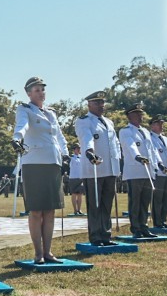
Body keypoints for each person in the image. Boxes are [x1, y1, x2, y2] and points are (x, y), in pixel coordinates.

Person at [11, 77, 68, 263]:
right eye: (36, 90)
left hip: (52, 163)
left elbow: (59, 135)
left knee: (50, 210)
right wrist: (17, 138)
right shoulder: (24, 109)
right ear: (29, 93)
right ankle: (37, 252)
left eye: (42, 89)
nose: (41, 92)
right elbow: (22, 126)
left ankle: (48, 252)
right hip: (34, 163)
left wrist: (65, 155)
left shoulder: (51, 113)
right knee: (36, 211)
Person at [75, 91, 122, 246]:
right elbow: (86, 138)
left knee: (107, 203)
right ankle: (96, 236)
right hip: (94, 168)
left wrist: (118, 163)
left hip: (109, 168)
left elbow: (115, 144)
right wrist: (89, 151)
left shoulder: (109, 122)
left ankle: (106, 235)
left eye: (102, 102)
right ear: (89, 105)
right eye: (97, 103)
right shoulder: (84, 121)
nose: (101, 106)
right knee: (95, 204)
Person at [118, 103, 160, 238]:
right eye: (137, 114)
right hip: (134, 170)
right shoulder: (125, 131)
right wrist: (137, 156)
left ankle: (144, 226)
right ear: (130, 116)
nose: (140, 116)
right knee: (135, 201)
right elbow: (130, 146)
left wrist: (156, 165)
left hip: (148, 171)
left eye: (141, 114)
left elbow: (151, 150)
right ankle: (135, 227)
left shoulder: (146, 131)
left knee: (145, 201)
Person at [67, 144, 85, 215]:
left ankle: (79, 209)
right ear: (74, 149)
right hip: (73, 178)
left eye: (79, 149)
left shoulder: (82, 157)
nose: (78, 150)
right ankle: (75, 210)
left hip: (80, 177)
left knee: (80, 194)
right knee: (74, 194)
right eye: (77, 148)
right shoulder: (71, 157)